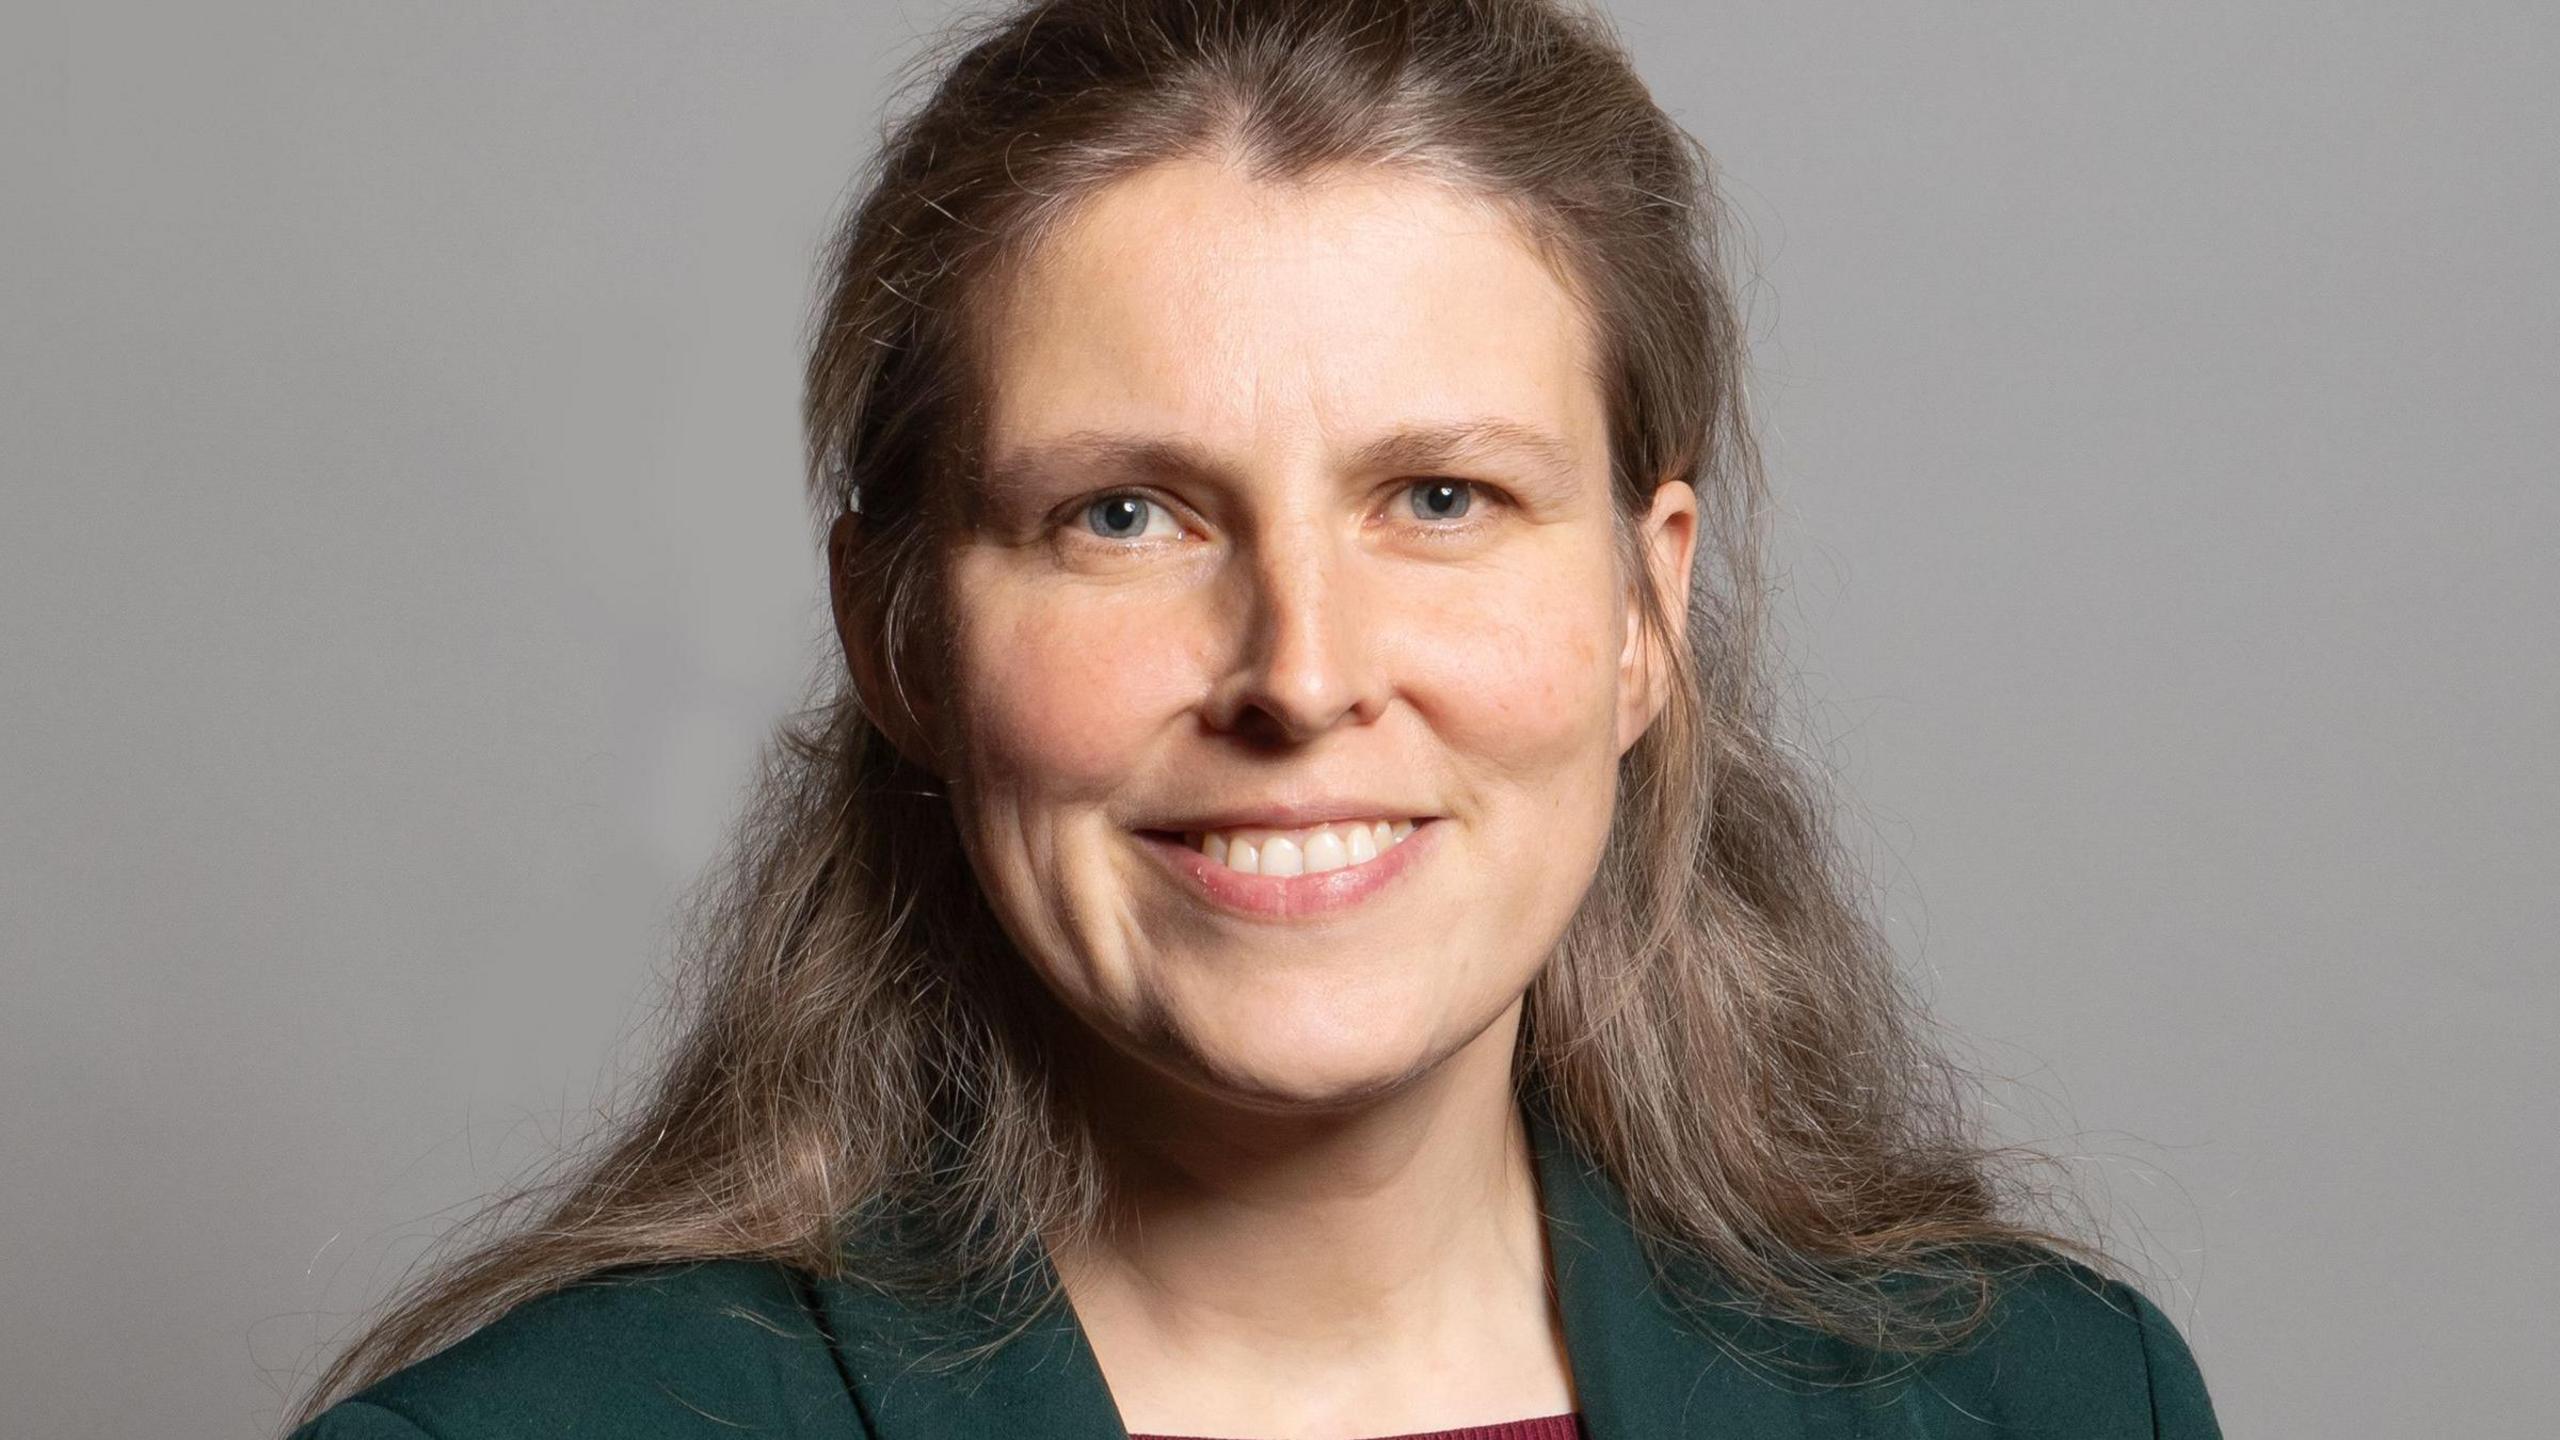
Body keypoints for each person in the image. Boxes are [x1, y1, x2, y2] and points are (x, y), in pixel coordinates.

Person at [286, 1, 2222, 1436]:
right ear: (895, 638)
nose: (1297, 676)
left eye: (1438, 499)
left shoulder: (2052, 1404)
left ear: (1648, 607)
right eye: (1122, 514)